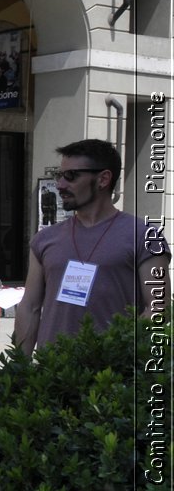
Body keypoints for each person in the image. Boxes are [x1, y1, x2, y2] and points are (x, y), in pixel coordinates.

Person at [13, 138, 169, 353]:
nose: (60, 185)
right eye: (59, 176)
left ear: (103, 179)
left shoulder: (146, 237)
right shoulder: (44, 239)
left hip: (113, 379)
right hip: (52, 376)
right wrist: (20, 368)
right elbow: (29, 307)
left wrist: (119, 355)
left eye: (71, 176)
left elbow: (158, 307)